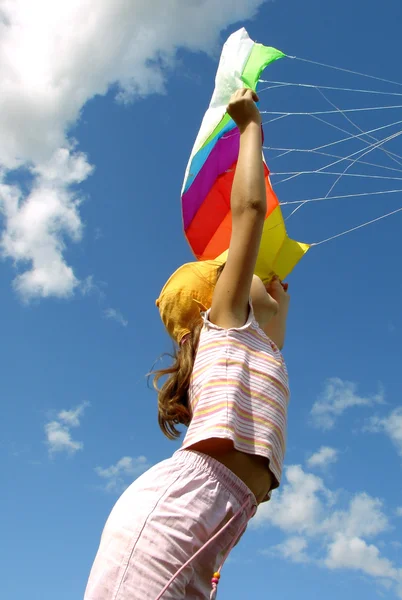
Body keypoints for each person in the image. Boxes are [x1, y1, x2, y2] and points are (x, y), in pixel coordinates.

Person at [84, 88, 291, 600]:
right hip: (173, 515)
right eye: (231, 273)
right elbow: (247, 211)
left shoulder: (259, 349)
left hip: (207, 532)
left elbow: (276, 322)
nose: (254, 269)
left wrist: (277, 291)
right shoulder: (226, 325)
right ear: (213, 304)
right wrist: (249, 128)